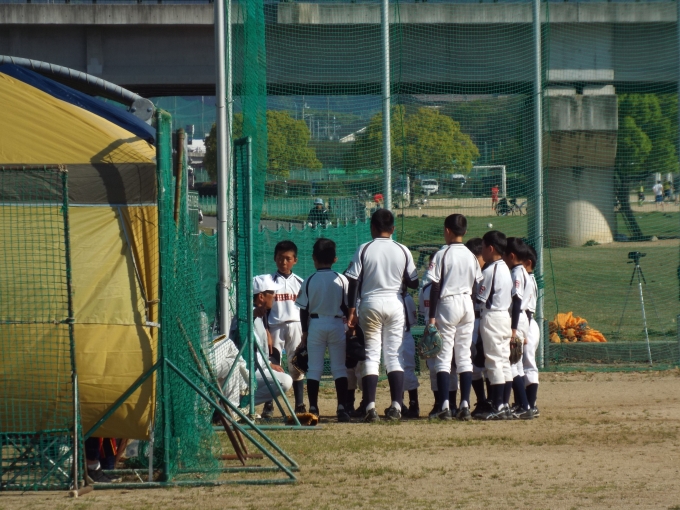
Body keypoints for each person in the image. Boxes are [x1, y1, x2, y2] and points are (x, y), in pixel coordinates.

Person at [346, 209, 419, 422]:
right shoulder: (403, 249)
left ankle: (370, 407)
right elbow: (414, 282)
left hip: (370, 303)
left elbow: (353, 281)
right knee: (394, 355)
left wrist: (351, 310)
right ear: (393, 228)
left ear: (372, 228)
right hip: (395, 303)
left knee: (371, 355)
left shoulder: (364, 248)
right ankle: (396, 405)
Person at [426, 214, 483, 421]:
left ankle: (444, 406)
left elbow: (435, 287)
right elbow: (476, 285)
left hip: (448, 304)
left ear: (447, 230)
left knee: (443, 357)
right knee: (464, 356)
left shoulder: (442, 254)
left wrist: (432, 317)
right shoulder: (471, 255)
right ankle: (464, 405)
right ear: (464, 232)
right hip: (467, 303)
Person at [212, 275, 293, 413]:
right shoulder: (245, 315)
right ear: (261, 296)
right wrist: (253, 314)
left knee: (284, 380)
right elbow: (239, 331)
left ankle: (240, 405)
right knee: (284, 381)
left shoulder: (258, 316)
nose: (274, 296)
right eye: (271, 293)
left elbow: (257, 349)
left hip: (255, 369)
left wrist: (269, 364)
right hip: (242, 371)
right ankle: (238, 406)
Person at [295, 238, 351, 422]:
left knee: (314, 368)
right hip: (337, 324)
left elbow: (303, 309)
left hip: (316, 325)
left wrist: (304, 332)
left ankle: (313, 407)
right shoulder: (341, 279)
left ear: (314, 258)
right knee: (339, 368)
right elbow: (347, 306)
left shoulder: (309, 280)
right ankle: (341, 408)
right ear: (335, 259)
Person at [265, 241, 305, 418]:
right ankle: (269, 404)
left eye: (288, 258)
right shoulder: (269, 282)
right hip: (275, 326)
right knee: (273, 363)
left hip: (296, 325)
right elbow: (265, 308)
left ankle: (299, 404)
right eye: (280, 258)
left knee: (296, 363)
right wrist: (266, 329)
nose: (283, 262)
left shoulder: (300, 282)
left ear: (295, 260)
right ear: (275, 258)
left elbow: (305, 309)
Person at [476, 230, 513, 420]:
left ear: (490, 248)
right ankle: (504, 404)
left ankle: (498, 405)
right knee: (504, 361)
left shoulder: (490, 271)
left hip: (492, 317)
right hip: (504, 316)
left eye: (483, 247)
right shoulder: (505, 267)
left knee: (494, 361)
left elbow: (480, 298)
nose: (482, 251)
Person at [419, 255, 459, 420]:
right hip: (432, 333)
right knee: (434, 368)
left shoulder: (450, 288)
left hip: (448, 330)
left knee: (450, 367)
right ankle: (438, 403)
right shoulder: (425, 289)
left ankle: (452, 403)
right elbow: (423, 312)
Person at [503, 237, 534, 420]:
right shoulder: (523, 271)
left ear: (512, 256)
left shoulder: (516, 273)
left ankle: (524, 406)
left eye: (504, 255)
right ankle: (524, 405)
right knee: (518, 365)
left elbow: (516, 302)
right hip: (522, 318)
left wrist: (513, 330)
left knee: (512, 365)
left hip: (517, 318)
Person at [465, 237, 493, 418]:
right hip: (471, 321)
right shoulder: (469, 274)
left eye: (474, 258)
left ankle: (492, 400)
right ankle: (481, 400)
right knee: (472, 362)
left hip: (487, 320)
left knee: (489, 362)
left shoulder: (489, 273)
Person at [522, 245, 540, 417]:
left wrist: (523, 331)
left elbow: (527, 310)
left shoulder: (528, 279)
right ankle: (525, 403)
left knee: (528, 363)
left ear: (528, 263)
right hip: (525, 324)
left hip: (527, 324)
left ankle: (531, 404)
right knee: (521, 364)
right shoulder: (525, 278)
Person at [401, 292, 421, 418]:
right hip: (391, 337)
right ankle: (399, 404)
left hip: (405, 335)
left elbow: (412, 321)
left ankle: (414, 405)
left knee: (407, 370)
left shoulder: (406, 297)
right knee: (393, 370)